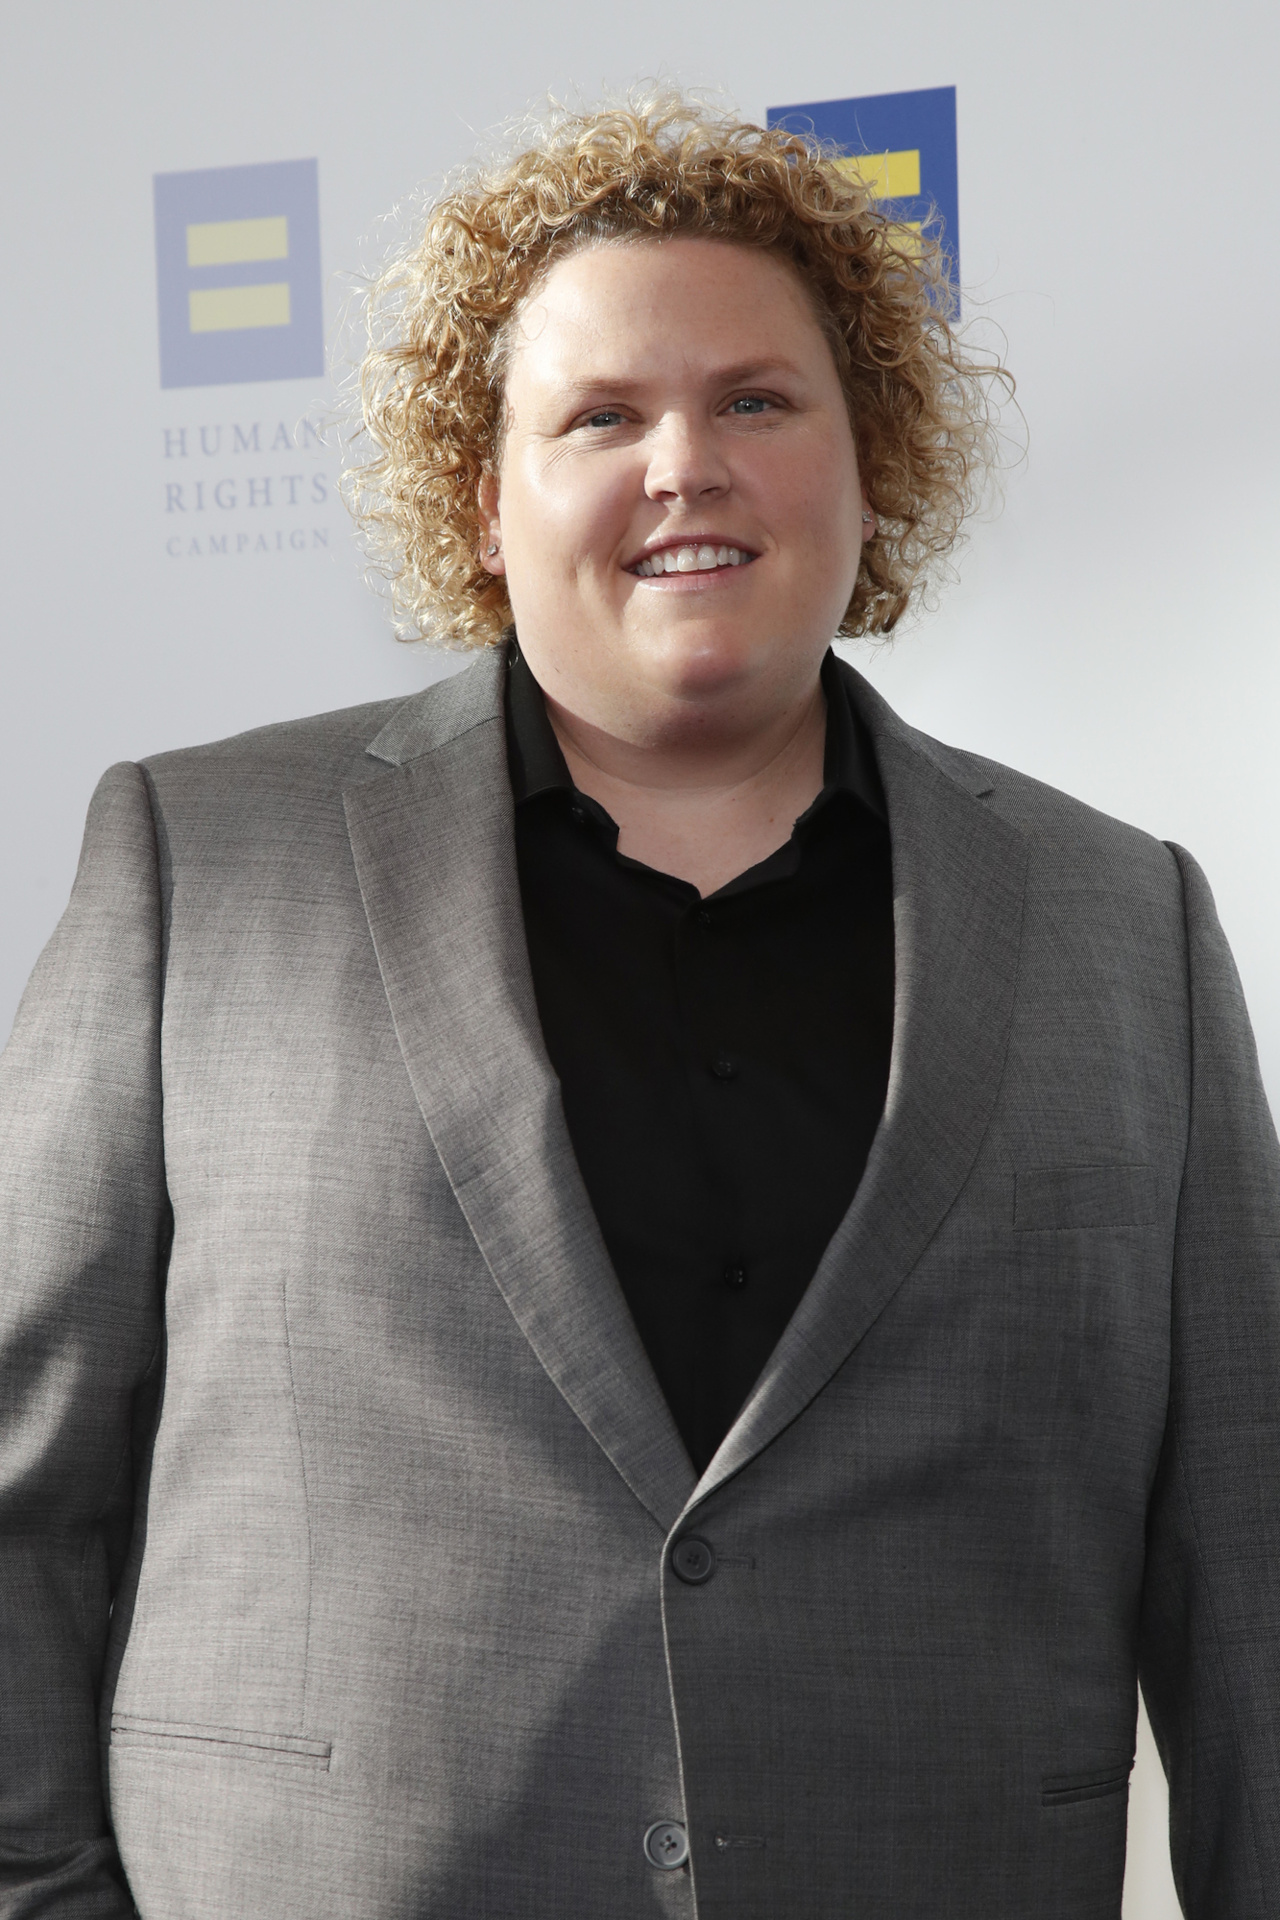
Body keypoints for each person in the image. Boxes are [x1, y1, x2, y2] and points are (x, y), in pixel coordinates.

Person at [1, 91, 1278, 1920]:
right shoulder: (204, 861)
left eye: (757, 400)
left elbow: (1251, 1570)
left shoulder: (1120, 919)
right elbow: (19, 1489)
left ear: (869, 458)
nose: (686, 463)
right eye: (600, 415)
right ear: (484, 493)